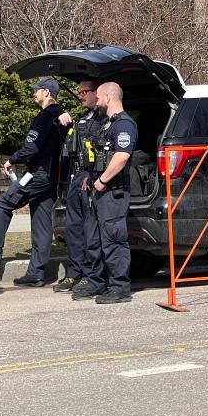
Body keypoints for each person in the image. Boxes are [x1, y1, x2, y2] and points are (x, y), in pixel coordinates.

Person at [0, 76, 67, 286]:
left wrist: (12, 159)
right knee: (42, 223)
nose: (34, 93)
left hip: (37, 174)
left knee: (3, 203)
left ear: (47, 93)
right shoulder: (61, 115)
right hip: (52, 177)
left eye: (37, 90)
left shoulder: (45, 117)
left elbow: (32, 148)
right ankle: (36, 273)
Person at [71, 81, 138, 304]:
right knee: (93, 239)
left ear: (108, 97)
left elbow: (121, 157)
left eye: (98, 97)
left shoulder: (124, 125)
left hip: (113, 192)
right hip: (98, 191)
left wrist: (101, 180)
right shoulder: (107, 124)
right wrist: (90, 178)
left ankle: (120, 287)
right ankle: (96, 282)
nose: (96, 101)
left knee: (113, 239)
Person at [52, 79, 104, 293]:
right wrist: (61, 124)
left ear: (96, 93)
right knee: (73, 229)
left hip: (91, 177)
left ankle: (91, 275)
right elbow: (69, 146)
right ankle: (74, 273)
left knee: (90, 231)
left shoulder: (105, 119)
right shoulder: (81, 119)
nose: (81, 95)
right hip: (75, 178)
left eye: (85, 91)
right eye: (79, 91)